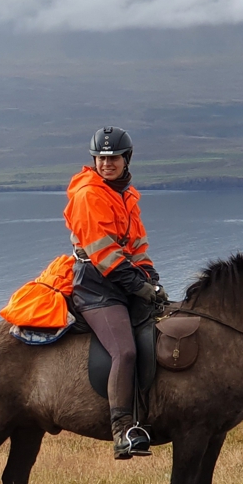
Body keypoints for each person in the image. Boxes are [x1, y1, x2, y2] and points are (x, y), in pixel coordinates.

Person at [65, 127, 167, 458]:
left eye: (114, 158)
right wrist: (138, 286)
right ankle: (122, 431)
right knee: (124, 351)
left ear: (126, 160)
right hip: (96, 286)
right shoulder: (88, 195)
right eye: (102, 158)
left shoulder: (126, 195)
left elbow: (137, 245)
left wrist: (151, 278)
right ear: (94, 160)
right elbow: (104, 254)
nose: (107, 163)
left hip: (122, 279)